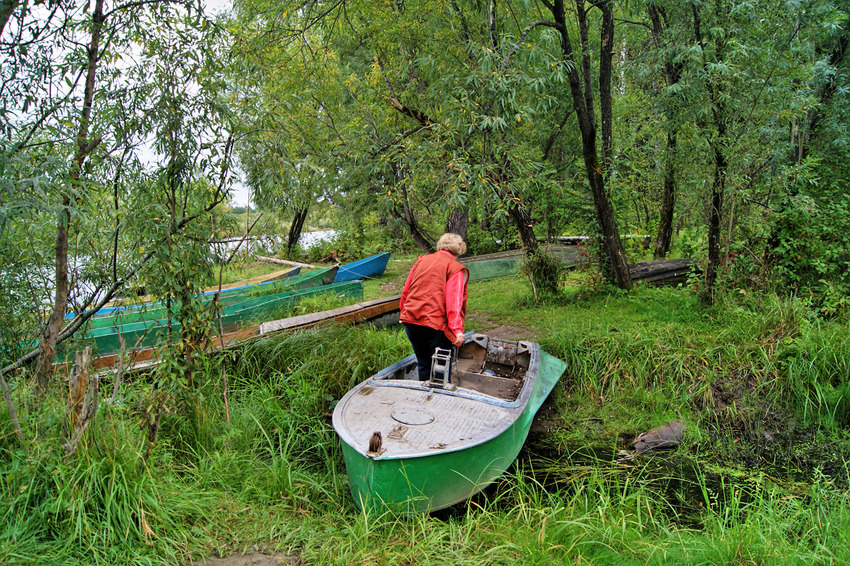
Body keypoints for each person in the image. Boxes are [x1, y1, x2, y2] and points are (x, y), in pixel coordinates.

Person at [399, 233, 470, 381]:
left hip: (411, 319)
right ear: (459, 249)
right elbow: (454, 301)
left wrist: (404, 312)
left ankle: (424, 392)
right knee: (441, 368)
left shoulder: (422, 260)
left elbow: (406, 290)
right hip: (435, 325)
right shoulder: (455, 268)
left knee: (423, 363)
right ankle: (440, 394)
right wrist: (457, 330)